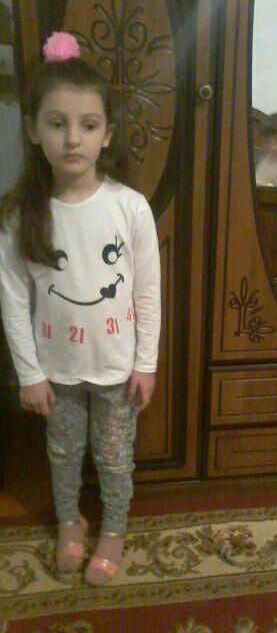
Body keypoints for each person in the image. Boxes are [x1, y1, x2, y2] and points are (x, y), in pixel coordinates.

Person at [0, 32, 161, 586]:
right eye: (57, 123)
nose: (73, 138)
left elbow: (147, 292)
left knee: (114, 459)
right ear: (33, 129)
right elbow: (13, 297)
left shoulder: (130, 207)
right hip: (57, 371)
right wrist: (29, 373)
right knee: (63, 453)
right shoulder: (21, 215)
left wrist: (146, 364)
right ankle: (70, 521)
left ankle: (114, 528)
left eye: (88, 125)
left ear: (107, 133)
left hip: (116, 368)